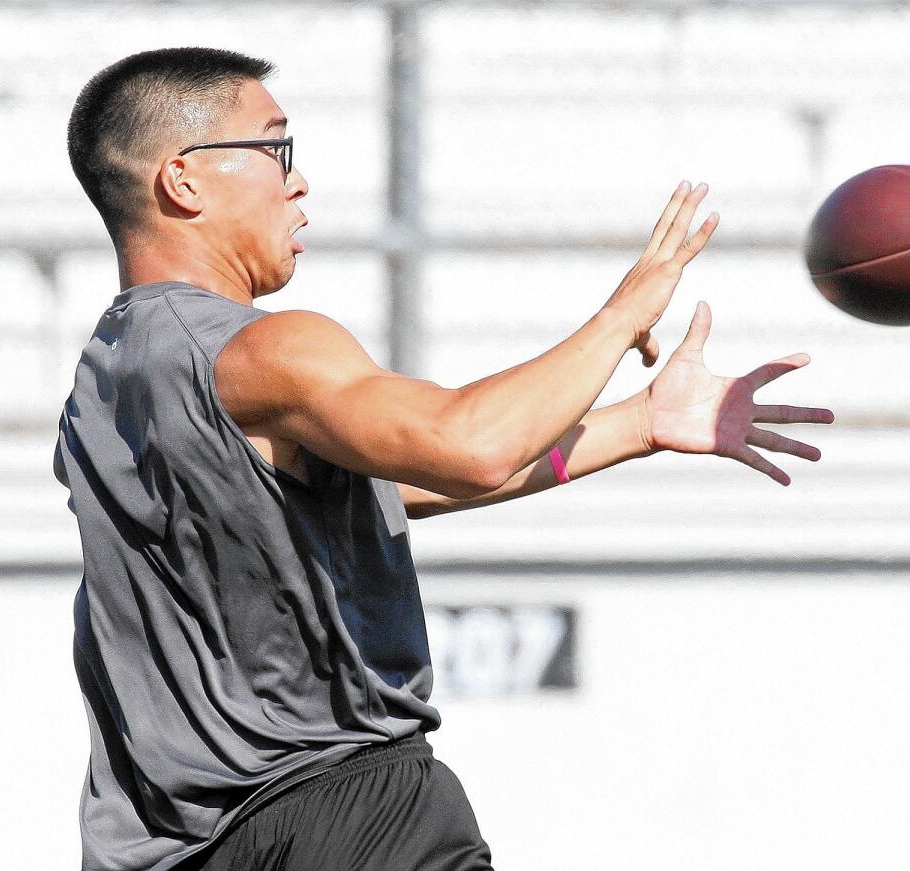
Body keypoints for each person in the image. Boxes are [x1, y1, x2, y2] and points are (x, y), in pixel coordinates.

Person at [55, 46, 834, 871]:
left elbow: (387, 483)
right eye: (275, 146)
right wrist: (620, 316)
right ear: (184, 180)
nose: (298, 180)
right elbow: (471, 447)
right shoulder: (263, 349)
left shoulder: (104, 382)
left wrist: (640, 421)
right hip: (348, 817)